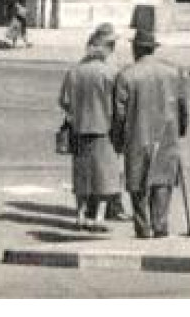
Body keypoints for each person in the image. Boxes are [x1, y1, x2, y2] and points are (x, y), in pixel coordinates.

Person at [111, 25, 188, 239]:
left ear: (136, 49)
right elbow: (182, 106)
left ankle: (142, 226)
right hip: (167, 133)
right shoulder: (174, 73)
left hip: (136, 134)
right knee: (163, 179)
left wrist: (117, 139)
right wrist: (181, 129)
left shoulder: (126, 76)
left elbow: (119, 113)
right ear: (153, 49)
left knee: (137, 180)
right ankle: (160, 224)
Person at [60, 24, 125, 227]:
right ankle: (98, 218)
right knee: (104, 175)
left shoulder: (74, 71)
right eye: (111, 46)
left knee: (82, 176)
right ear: (105, 48)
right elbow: (119, 104)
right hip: (104, 129)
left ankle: (79, 215)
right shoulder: (111, 73)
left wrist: (77, 112)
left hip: (79, 128)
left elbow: (63, 101)